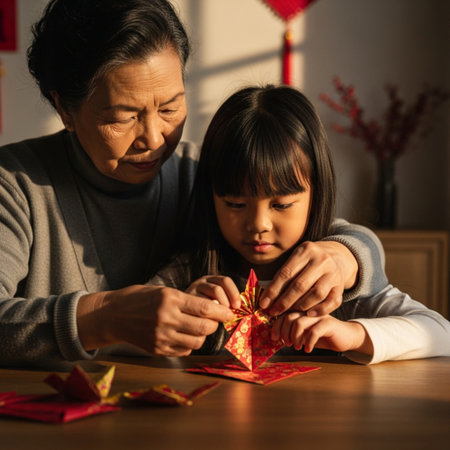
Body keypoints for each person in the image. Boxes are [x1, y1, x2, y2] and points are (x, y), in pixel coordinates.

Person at [0, 0, 386, 367]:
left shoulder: (198, 171)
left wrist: (347, 255)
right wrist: (102, 318)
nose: (154, 138)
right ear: (65, 109)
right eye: (122, 117)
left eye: (170, 107)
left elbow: (312, 222)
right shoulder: (14, 185)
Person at [151, 85, 450, 363]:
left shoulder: (334, 282)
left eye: (281, 204)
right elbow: (120, 337)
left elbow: (441, 333)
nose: (258, 224)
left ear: (316, 192)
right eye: (235, 204)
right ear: (210, 195)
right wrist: (179, 320)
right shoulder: (190, 274)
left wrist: (354, 335)